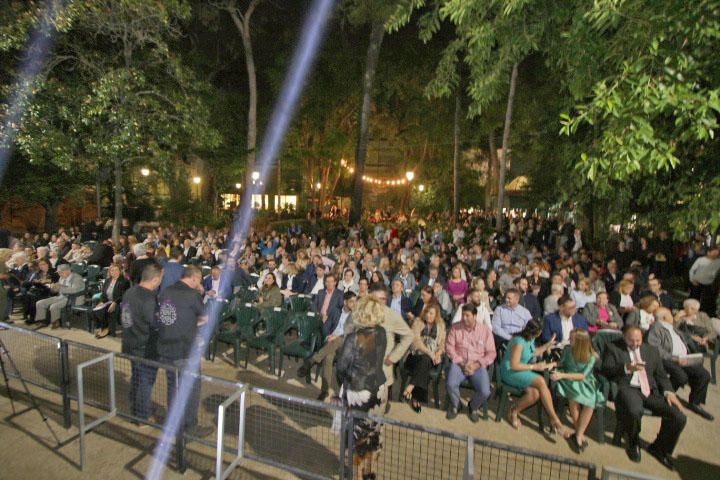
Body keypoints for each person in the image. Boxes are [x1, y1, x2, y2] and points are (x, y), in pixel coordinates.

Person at [602, 325, 686, 469]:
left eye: (638, 341)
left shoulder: (651, 350)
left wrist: (669, 392)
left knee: (679, 416)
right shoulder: (613, 347)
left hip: (650, 390)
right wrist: (626, 368)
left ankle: (660, 449)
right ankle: (633, 442)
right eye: (631, 341)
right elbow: (606, 370)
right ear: (624, 337)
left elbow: (661, 375)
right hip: (628, 388)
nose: (635, 344)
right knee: (635, 411)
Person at [335, 294, 390, 480]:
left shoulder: (353, 338)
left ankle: (356, 476)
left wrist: (343, 385)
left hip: (359, 392)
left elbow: (341, 367)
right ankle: (369, 472)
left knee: (356, 438)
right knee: (374, 432)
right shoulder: (382, 332)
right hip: (380, 389)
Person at [156, 265, 213, 437]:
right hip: (185, 350)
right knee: (191, 389)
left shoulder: (165, 291)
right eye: (200, 280)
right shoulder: (192, 295)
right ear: (194, 278)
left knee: (173, 387)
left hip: (166, 348)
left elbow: (166, 316)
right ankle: (190, 426)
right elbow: (204, 318)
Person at [499, 319, 570, 437]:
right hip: (510, 372)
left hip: (522, 370)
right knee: (541, 381)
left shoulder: (530, 339)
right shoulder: (518, 342)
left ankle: (514, 411)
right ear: (538, 332)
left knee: (535, 394)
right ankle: (555, 420)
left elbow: (534, 352)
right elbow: (514, 365)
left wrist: (547, 345)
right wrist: (535, 366)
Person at [647, 308, 713, 420]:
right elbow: (655, 349)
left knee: (704, 375)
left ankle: (695, 403)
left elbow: (685, 336)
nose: (673, 316)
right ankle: (663, 396)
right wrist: (674, 358)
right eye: (670, 315)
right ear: (664, 318)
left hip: (684, 358)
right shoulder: (656, 328)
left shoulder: (672, 328)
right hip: (669, 359)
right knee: (681, 376)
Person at [120, 263, 163, 423]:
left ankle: (136, 406)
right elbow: (156, 323)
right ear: (155, 279)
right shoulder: (150, 298)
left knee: (137, 377)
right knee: (146, 381)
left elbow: (124, 318)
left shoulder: (129, 293)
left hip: (130, 342)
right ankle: (142, 415)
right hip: (146, 347)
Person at [297, 291, 357, 400]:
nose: (354, 304)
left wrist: (336, 337)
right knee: (328, 358)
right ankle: (324, 391)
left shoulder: (356, 316)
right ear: (345, 302)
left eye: (355, 302)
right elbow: (326, 326)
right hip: (331, 343)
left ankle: (313, 360)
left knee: (339, 339)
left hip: (345, 345)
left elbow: (352, 334)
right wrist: (328, 336)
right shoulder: (335, 311)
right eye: (351, 302)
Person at [551, 329, 605, 452]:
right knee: (574, 397)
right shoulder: (567, 350)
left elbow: (582, 376)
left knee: (590, 402)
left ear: (581, 342)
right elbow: (562, 363)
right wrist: (554, 364)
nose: (569, 341)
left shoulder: (591, 357)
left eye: (572, 339)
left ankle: (578, 433)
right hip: (568, 380)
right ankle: (579, 433)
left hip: (583, 381)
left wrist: (562, 376)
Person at [445, 304, 495, 422]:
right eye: (463, 315)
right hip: (459, 362)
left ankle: (473, 406)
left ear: (475, 316)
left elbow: (491, 353)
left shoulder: (485, 331)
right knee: (450, 384)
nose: (464, 318)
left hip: (477, 365)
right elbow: (449, 348)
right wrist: (462, 364)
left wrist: (476, 365)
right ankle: (457, 405)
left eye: (467, 315)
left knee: (485, 391)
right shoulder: (455, 328)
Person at [403, 304, 446, 413]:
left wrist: (438, 353)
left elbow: (442, 344)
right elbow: (415, 341)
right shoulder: (418, 322)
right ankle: (416, 398)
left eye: (431, 313)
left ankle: (411, 387)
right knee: (425, 360)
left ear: (436, 315)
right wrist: (429, 352)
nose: (428, 315)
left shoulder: (441, 326)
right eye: (426, 312)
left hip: (431, 359)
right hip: (414, 355)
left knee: (425, 361)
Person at [34, 263, 84, 329]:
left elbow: (74, 290)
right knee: (40, 303)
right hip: (62, 296)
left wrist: (59, 288)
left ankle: (55, 322)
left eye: (61, 272)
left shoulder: (77, 278)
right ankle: (42, 321)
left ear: (68, 271)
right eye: (59, 272)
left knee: (53, 306)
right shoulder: (61, 277)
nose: (59, 274)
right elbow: (57, 290)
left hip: (74, 298)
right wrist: (53, 288)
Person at [93, 264, 129, 338]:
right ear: (110, 272)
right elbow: (103, 293)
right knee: (95, 309)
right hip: (108, 301)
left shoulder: (124, 281)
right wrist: (101, 302)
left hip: (119, 302)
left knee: (105, 310)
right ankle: (104, 328)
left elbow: (124, 295)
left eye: (116, 270)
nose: (114, 272)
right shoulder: (107, 280)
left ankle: (105, 329)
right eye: (112, 270)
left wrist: (115, 302)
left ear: (120, 271)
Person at [688, 246, 720, 315]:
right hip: (697, 282)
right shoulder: (701, 260)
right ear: (708, 252)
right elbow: (692, 270)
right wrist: (692, 280)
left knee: (706, 302)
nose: (715, 255)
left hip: (709, 284)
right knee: (694, 298)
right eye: (714, 253)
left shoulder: (718, 262)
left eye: (716, 254)